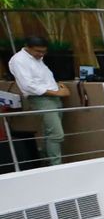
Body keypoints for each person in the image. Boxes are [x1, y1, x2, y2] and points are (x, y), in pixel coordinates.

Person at [8, 36, 69, 165]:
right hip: (41, 99)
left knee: (49, 133)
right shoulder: (19, 60)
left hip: (53, 97)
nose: (41, 54)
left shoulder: (37, 59)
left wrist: (58, 88)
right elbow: (28, 85)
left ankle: (47, 163)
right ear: (27, 47)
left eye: (43, 52)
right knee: (56, 134)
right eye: (38, 51)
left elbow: (42, 79)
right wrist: (58, 92)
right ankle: (55, 166)